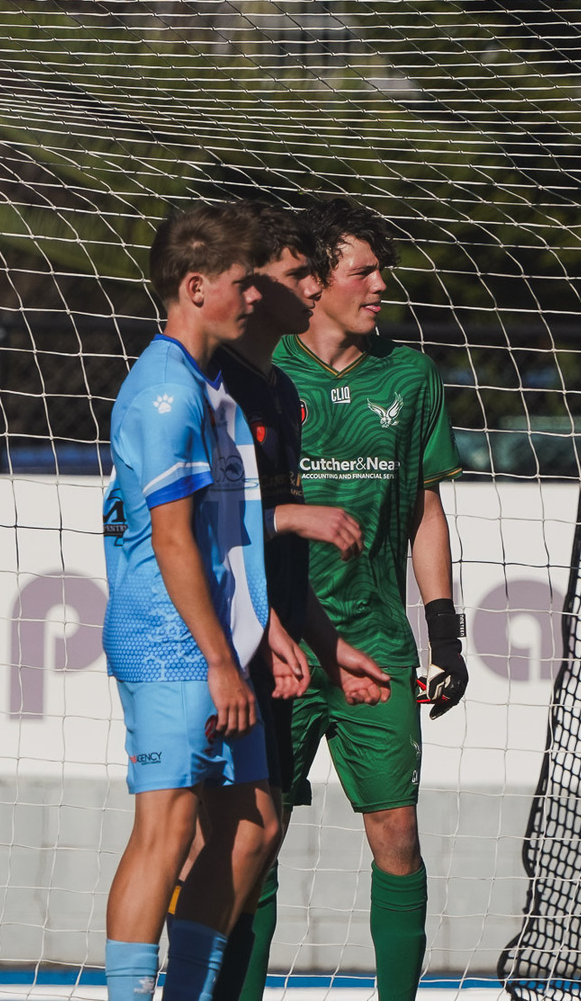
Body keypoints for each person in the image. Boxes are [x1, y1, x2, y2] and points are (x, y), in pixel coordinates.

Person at [170, 201, 391, 1001]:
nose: (309, 284)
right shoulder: (199, 384)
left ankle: (194, 988)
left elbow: (258, 547)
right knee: (182, 837)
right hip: (202, 644)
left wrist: (318, 638)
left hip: (261, 639)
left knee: (251, 831)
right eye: (298, 271)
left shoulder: (271, 391)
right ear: (252, 284)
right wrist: (257, 623)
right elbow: (185, 525)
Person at [270, 197, 466, 1001]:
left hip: (377, 649)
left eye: (381, 269)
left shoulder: (410, 375)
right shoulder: (265, 370)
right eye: (364, 270)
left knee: (395, 832)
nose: (381, 284)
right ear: (313, 284)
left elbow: (424, 511)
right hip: (274, 647)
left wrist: (443, 636)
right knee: (253, 841)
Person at [101, 203, 277, 1001]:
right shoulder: (166, 392)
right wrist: (216, 658)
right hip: (173, 644)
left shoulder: (206, 386)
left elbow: (218, 537)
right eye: (244, 284)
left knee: (251, 829)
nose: (255, 297)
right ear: (195, 286)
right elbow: (171, 540)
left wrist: (258, 629)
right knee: (165, 831)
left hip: (215, 643)